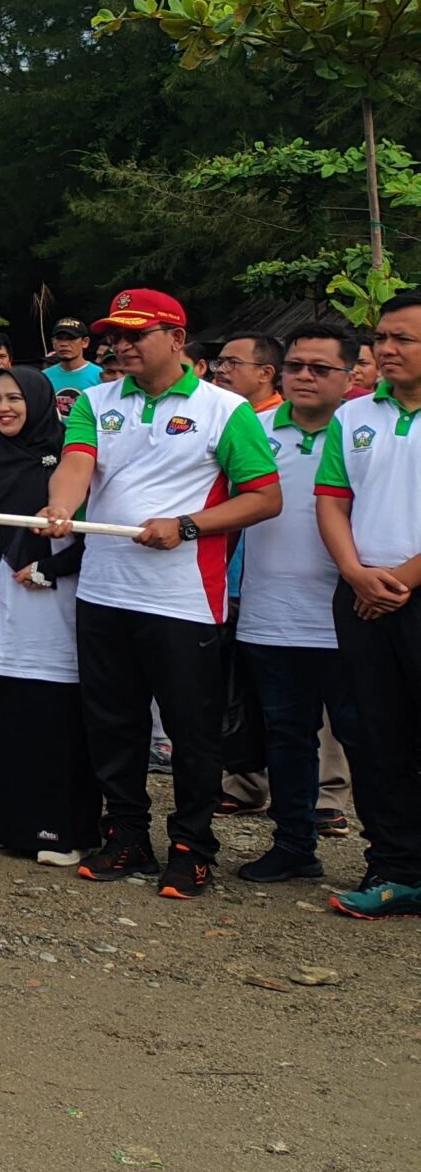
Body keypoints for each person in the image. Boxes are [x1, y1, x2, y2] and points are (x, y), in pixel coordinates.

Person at [38, 289, 280, 900]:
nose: (120, 345)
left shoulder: (226, 409)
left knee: (192, 730)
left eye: (134, 334)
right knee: (112, 723)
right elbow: (77, 463)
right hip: (104, 591)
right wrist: (61, 505)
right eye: (114, 335)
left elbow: (263, 497)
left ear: (176, 338)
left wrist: (189, 525)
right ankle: (127, 835)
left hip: (182, 599)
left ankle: (192, 846)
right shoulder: (94, 400)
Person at [230, 321, 361, 886]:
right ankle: (293, 844)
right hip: (270, 616)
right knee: (285, 738)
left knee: (370, 741)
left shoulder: (365, 431)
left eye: (321, 368)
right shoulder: (253, 429)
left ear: (350, 375)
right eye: (296, 366)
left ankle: (392, 857)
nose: (305, 376)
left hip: (353, 616)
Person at [0, 366, 94, 864]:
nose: (5, 407)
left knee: (49, 716)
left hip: (47, 611)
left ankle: (59, 829)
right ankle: (6, 819)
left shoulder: (70, 462)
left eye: (15, 398)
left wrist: (51, 569)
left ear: (40, 401)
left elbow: (96, 537)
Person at [314, 292, 421, 918]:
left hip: (402, 590)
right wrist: (355, 572)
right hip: (360, 596)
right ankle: (395, 866)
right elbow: (332, 499)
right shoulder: (356, 416)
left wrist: (401, 580)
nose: (385, 349)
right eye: (381, 338)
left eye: (403, 338)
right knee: (377, 735)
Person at [211, 333, 283, 413]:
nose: (220, 369)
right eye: (220, 362)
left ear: (265, 373)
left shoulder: (279, 421)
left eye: (233, 362)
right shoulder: (212, 409)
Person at [47, 319, 102, 401]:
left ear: (85, 342)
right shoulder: (44, 377)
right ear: (53, 342)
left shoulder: (100, 375)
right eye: (59, 338)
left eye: (71, 338)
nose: (64, 344)